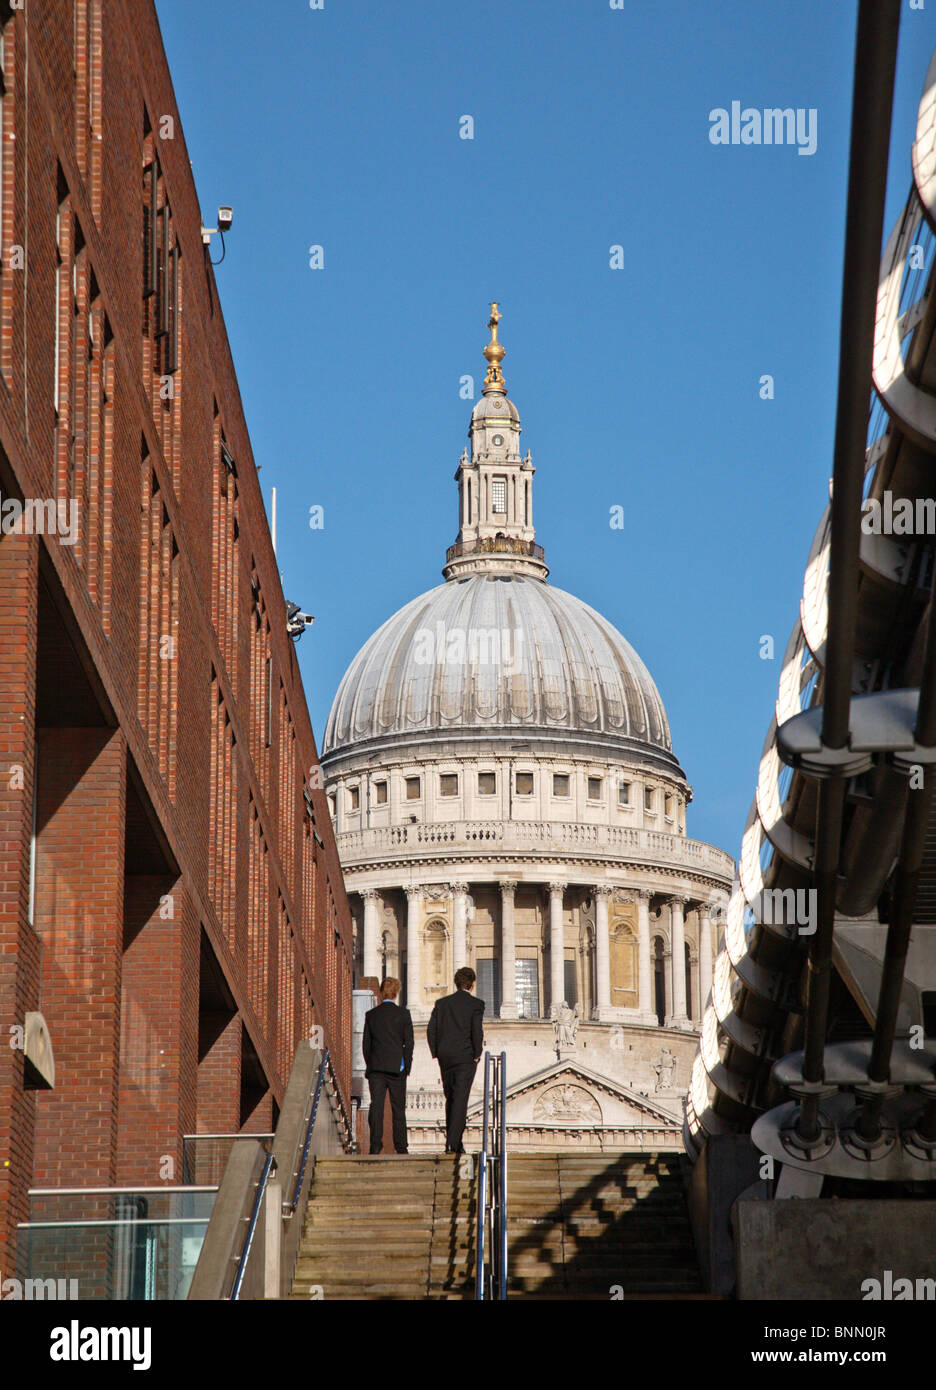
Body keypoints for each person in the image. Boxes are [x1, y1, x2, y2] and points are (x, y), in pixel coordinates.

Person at [427, 966, 484, 1155]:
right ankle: (452, 1144)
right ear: (472, 983)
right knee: (460, 1099)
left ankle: (455, 1142)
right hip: (464, 1057)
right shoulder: (476, 1004)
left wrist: (436, 1052)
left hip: (445, 1057)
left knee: (451, 1098)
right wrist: (477, 1053)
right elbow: (477, 1031)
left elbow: (431, 1030)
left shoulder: (441, 1003)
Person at [362, 977, 413, 1155]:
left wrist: (371, 1064)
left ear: (382, 993)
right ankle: (401, 1146)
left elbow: (366, 1045)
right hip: (396, 1069)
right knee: (398, 1108)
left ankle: (375, 1145)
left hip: (376, 1068)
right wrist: (406, 1066)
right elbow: (409, 1043)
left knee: (376, 1107)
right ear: (396, 993)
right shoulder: (404, 1015)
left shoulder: (371, 1015)